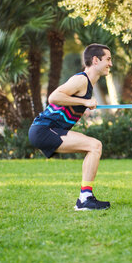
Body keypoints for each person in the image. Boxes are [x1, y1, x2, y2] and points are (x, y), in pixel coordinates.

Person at [28, 43, 112, 211]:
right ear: (95, 60)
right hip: (43, 129)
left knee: (93, 148)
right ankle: (85, 199)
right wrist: (84, 102)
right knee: (95, 146)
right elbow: (53, 97)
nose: (111, 64)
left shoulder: (89, 84)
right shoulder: (81, 79)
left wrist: (84, 103)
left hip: (48, 130)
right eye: (108, 59)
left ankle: (85, 198)